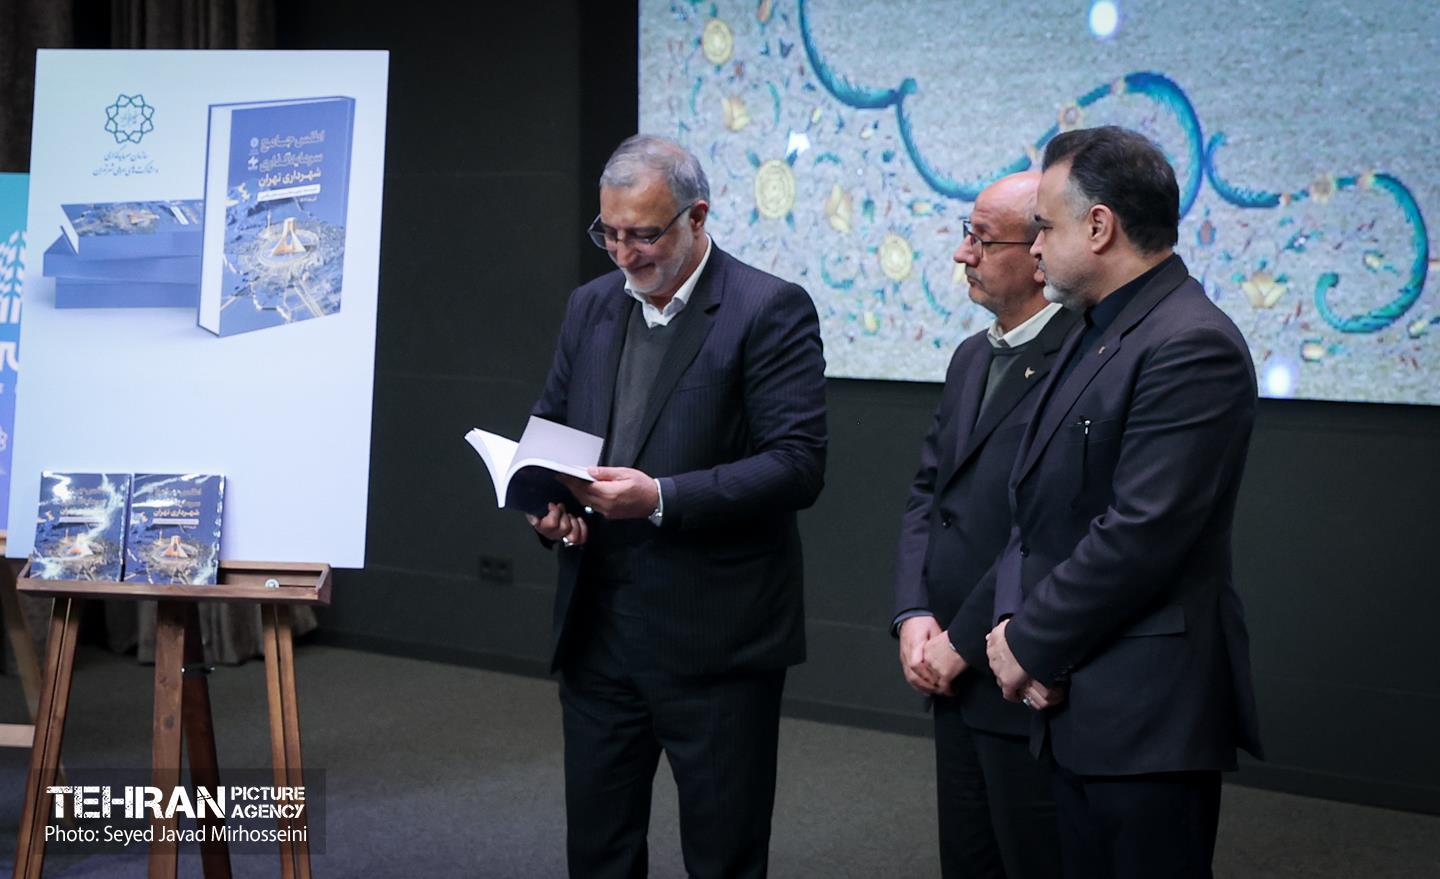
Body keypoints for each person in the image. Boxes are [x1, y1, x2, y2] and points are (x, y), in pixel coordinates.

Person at [952, 126, 1263, 878]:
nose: (1034, 249)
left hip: (1145, 716)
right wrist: (1015, 629)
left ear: (1099, 227)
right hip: (1072, 701)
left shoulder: (1191, 343)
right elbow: (1034, 508)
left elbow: (1141, 533)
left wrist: (1028, 642)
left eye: (1045, 228)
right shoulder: (1093, 331)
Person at [526, 134, 827, 879]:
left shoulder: (768, 308)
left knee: (723, 857)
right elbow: (553, 426)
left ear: (697, 217)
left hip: (715, 640)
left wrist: (659, 498)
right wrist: (546, 502)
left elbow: (796, 465)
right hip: (598, 630)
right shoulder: (591, 305)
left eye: (643, 235)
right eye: (609, 233)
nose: (623, 254)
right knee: (598, 851)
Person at [892, 171, 1076, 878]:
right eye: (966, 234)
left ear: (1039, 253)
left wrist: (961, 642)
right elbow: (929, 492)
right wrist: (913, 613)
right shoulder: (972, 355)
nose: (962, 252)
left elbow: (1047, 526)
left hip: (1014, 667)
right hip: (949, 671)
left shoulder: (1081, 361)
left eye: (982, 239)